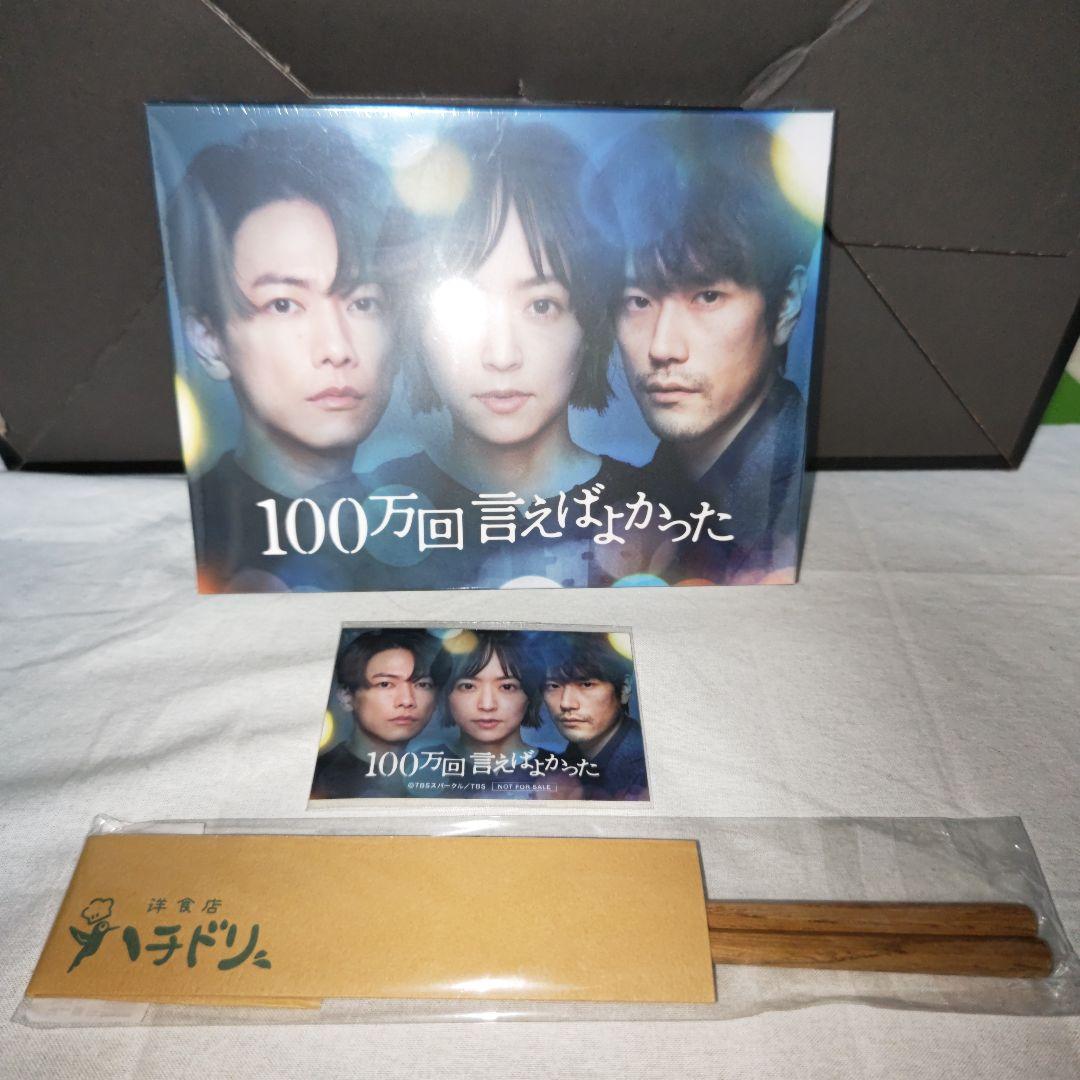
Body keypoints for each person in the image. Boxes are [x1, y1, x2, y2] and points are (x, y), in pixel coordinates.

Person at [380, 119, 638, 588]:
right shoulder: (370, 513)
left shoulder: (654, 509)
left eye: (541, 306)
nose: (501, 356)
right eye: (462, 307)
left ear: (590, 319)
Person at [163, 123, 410, 591]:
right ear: (208, 339)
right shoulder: (204, 543)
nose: (337, 349)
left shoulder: (419, 520)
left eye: (363, 302)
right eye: (283, 304)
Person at [591, 115, 821, 583]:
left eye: (707, 296)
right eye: (638, 301)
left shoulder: (809, 505)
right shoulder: (627, 505)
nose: (662, 347)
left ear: (785, 305)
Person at [424, 630, 571, 799]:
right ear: (446, 695)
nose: (487, 705)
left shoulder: (561, 772)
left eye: (507, 687)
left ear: (530, 695)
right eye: (468, 686)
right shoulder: (422, 764)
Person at [310, 629, 446, 799]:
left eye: (422, 685)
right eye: (385, 684)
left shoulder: (441, 776)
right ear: (346, 696)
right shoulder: (317, 780)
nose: (407, 700)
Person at [542, 632, 648, 800]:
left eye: (586, 684)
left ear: (625, 688)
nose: (566, 703)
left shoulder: (647, 768)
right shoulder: (552, 767)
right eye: (554, 685)